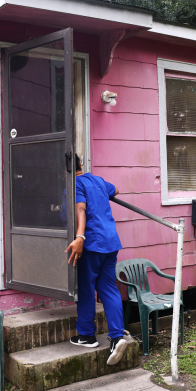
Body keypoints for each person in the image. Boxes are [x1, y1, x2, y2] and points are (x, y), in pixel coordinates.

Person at [66, 155, 128, 365]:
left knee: (86, 288)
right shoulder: (99, 181)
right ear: (80, 165)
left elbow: (80, 208)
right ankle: (117, 337)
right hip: (110, 242)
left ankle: (86, 335)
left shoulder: (74, 184)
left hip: (92, 243)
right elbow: (116, 190)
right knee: (109, 289)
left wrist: (79, 237)